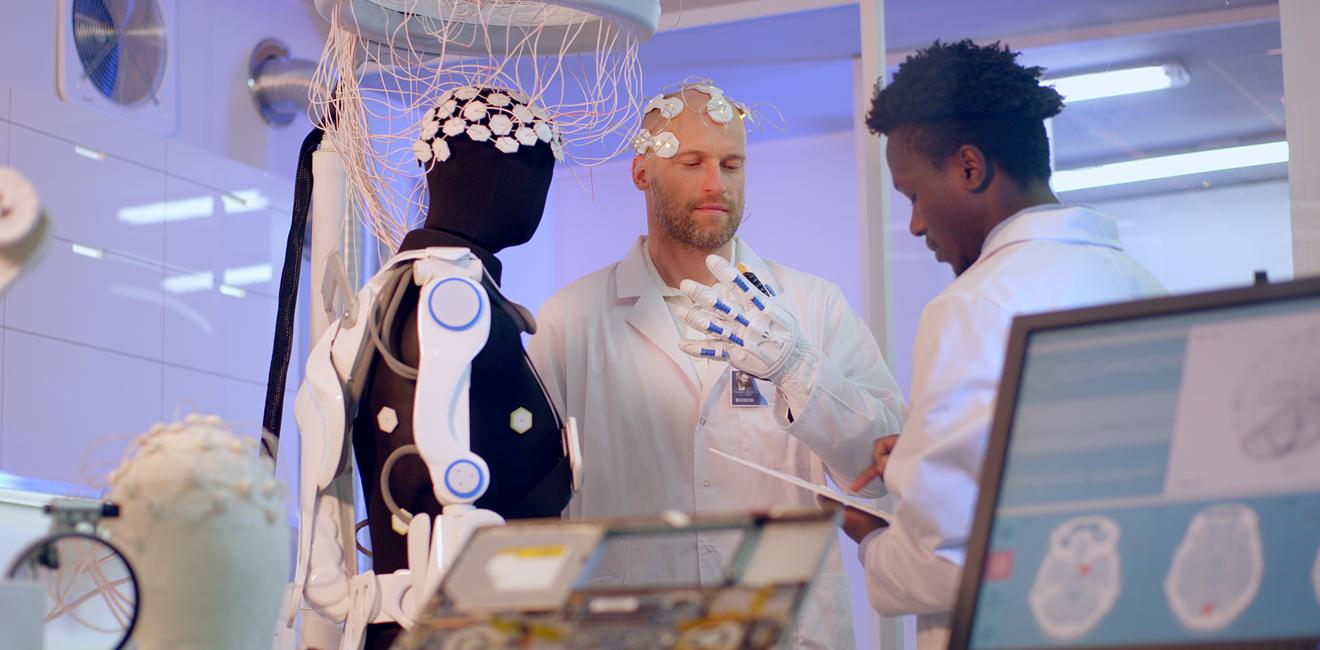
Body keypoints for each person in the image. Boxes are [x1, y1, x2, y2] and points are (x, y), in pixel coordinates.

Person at [528, 82, 905, 649]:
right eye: (692, 162)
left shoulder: (811, 305)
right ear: (641, 173)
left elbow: (884, 471)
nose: (716, 184)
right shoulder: (570, 320)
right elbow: (533, 506)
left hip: (783, 629)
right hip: (630, 629)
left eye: (732, 164)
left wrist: (797, 366)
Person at [836, 40, 1168, 649]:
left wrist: (874, 538)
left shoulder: (974, 305)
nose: (913, 224)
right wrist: (920, 457)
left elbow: (952, 558)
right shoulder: (1139, 283)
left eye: (912, 195)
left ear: (969, 167)